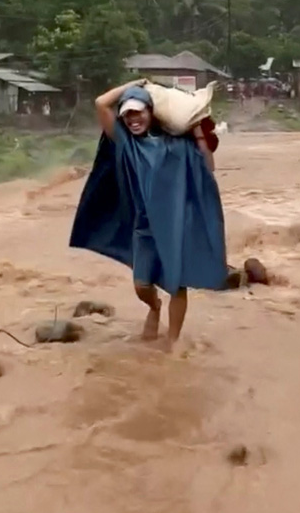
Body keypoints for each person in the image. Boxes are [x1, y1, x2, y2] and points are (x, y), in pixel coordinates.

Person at [69, 81, 227, 345]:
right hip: (144, 228)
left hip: (177, 226)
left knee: (177, 285)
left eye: (138, 112)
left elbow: (208, 168)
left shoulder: (177, 145)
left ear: (151, 113)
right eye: (128, 114)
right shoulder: (126, 144)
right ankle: (154, 308)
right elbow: (101, 103)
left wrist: (196, 127)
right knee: (141, 284)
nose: (133, 119)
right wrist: (138, 83)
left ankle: (173, 344)